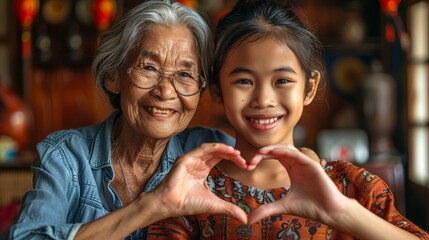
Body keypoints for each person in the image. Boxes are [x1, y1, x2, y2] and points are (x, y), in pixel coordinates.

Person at [146, 0, 429, 239]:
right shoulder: (192, 192)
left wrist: (343, 212)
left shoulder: (354, 188)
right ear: (218, 91)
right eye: (244, 81)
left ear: (309, 88)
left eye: (282, 80)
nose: (264, 99)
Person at [1, 1, 252, 239]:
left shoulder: (215, 152)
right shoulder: (67, 156)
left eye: (185, 74)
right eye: (149, 68)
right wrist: (152, 205)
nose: (165, 91)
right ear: (113, 76)